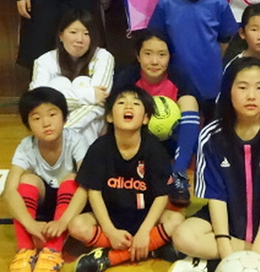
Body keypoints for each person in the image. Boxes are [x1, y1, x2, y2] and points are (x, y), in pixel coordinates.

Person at [169, 57, 260, 272]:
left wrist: (258, 251)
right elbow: (216, 197)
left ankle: (210, 263)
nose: (251, 96)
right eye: (242, 87)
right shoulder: (211, 136)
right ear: (229, 91)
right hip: (226, 215)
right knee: (183, 236)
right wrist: (227, 252)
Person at [68, 86, 184, 272]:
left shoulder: (154, 149)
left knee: (176, 221)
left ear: (145, 118)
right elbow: (94, 193)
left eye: (136, 103)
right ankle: (150, 249)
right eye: (121, 102)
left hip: (145, 217)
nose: (128, 106)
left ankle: (112, 257)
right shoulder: (99, 148)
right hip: (110, 217)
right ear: (110, 117)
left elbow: (162, 195)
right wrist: (110, 231)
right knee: (77, 226)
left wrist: (145, 231)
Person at [148, 0, 238, 123]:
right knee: (180, 125)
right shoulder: (167, 3)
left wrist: (211, 59)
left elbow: (225, 38)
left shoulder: (218, 3)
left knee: (212, 124)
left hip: (210, 78)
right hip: (177, 77)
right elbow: (155, 38)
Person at [4, 87, 88, 272]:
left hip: (70, 207)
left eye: (52, 114)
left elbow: (87, 187)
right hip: (42, 205)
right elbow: (9, 191)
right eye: (36, 118)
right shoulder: (26, 146)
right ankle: (25, 250)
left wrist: (64, 222)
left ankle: (53, 251)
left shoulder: (76, 141)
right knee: (27, 180)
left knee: (74, 178)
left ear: (64, 118)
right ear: (28, 124)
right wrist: (29, 223)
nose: (46, 123)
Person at [113, 29, 200, 207]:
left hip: (171, 144)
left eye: (162, 55)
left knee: (190, 101)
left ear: (170, 57)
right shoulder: (128, 79)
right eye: (148, 54)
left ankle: (179, 176)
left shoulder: (179, 78)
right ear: (138, 56)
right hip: (138, 143)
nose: (154, 61)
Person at [30, 8, 114, 144]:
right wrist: (89, 96)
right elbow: (37, 101)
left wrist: (62, 130)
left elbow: (100, 103)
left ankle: (82, 159)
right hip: (51, 125)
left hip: (68, 130)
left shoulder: (103, 57)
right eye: (73, 32)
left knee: (83, 82)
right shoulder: (44, 61)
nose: (79, 39)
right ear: (61, 35)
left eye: (86, 34)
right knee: (59, 83)